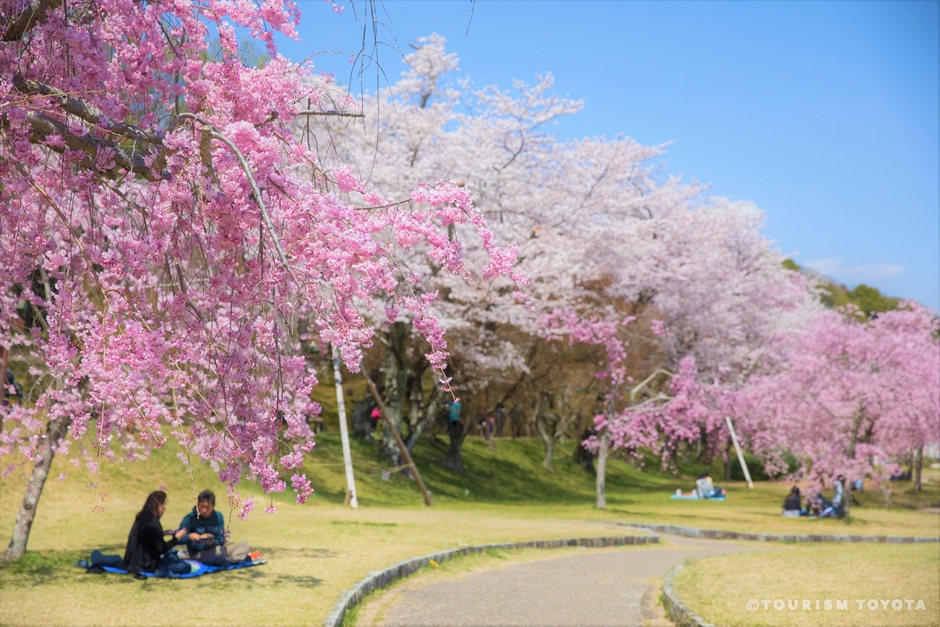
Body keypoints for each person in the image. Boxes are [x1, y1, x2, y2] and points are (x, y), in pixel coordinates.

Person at [89, 490, 190, 578]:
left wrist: (162, 533)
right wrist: (176, 538)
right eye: (164, 505)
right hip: (145, 565)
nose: (164, 508)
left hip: (130, 561)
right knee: (185, 567)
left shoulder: (142, 517)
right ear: (158, 505)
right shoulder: (154, 523)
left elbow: (145, 537)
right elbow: (161, 549)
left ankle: (97, 556)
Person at [178, 490, 250, 566]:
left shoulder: (218, 517)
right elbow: (178, 539)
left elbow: (221, 539)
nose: (203, 510)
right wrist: (189, 536)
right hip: (198, 553)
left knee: (245, 545)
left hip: (217, 549)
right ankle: (231, 560)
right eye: (201, 506)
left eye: (207, 507)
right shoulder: (190, 518)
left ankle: (230, 560)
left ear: (213, 505)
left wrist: (213, 542)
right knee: (219, 552)